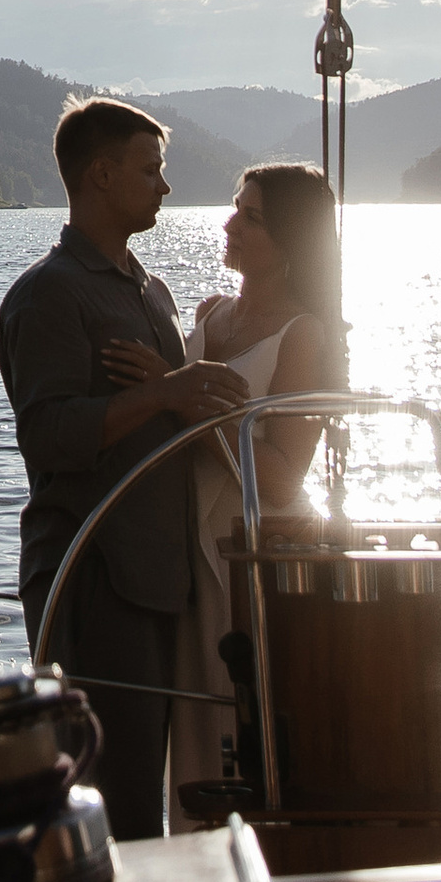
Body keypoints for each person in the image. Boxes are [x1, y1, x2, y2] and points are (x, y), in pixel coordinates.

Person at [0, 98, 252, 840]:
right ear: (101, 176)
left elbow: (169, 408)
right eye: (151, 170)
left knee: (149, 803)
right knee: (112, 808)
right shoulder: (49, 294)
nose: (164, 187)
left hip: (161, 582)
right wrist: (166, 393)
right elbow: (47, 436)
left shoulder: (151, 291)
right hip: (92, 577)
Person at [158, 162, 347, 819]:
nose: (230, 222)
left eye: (253, 216)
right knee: (194, 731)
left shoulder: (305, 335)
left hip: (258, 556)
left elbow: (284, 474)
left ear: (291, 239)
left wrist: (196, 410)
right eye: (236, 206)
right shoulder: (211, 314)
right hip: (191, 546)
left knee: (246, 729)